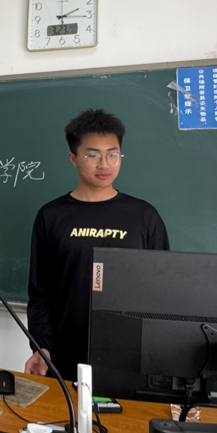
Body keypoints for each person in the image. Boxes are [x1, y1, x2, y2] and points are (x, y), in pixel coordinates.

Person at [25, 108, 170, 380]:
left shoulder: (144, 216)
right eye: (93, 155)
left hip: (133, 359)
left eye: (113, 154)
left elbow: (163, 292)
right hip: (64, 358)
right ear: (73, 158)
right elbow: (40, 295)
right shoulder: (51, 216)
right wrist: (41, 346)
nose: (104, 164)